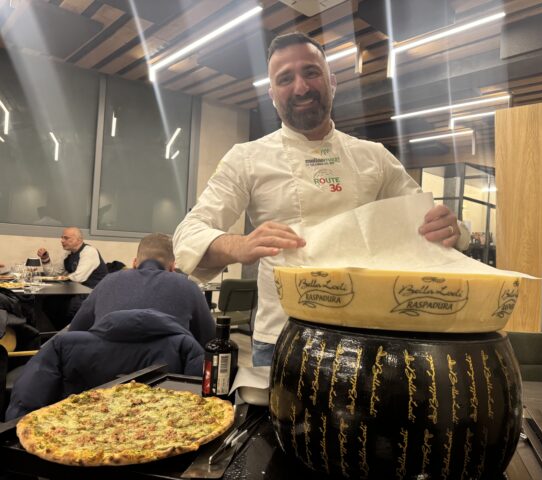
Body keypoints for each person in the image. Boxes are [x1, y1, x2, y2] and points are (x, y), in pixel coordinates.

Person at [173, 32, 470, 366]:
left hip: (365, 332)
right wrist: (240, 245)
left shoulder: (374, 156)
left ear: (332, 81)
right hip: (281, 336)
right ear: (272, 95)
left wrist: (453, 228)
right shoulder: (246, 158)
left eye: (311, 72)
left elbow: (432, 222)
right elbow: (188, 233)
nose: (301, 87)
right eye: (285, 79)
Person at [5, 308, 204, 420]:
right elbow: (200, 407)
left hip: (72, 436)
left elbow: (26, 400)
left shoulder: (65, 344)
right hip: (161, 435)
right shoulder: (185, 346)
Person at [68, 233, 214, 347]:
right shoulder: (188, 287)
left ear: (134, 263)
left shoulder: (107, 282)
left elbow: (75, 330)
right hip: (168, 373)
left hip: (104, 372)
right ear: (172, 267)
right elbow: (209, 340)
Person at [36, 227, 108, 329]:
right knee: (49, 302)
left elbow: (78, 277)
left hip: (92, 293)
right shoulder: (68, 253)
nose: (62, 241)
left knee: (69, 307)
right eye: (62, 238)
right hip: (75, 291)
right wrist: (45, 259)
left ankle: (72, 332)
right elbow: (54, 274)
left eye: (66, 238)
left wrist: (60, 279)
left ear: (79, 240)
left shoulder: (89, 251)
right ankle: (61, 332)